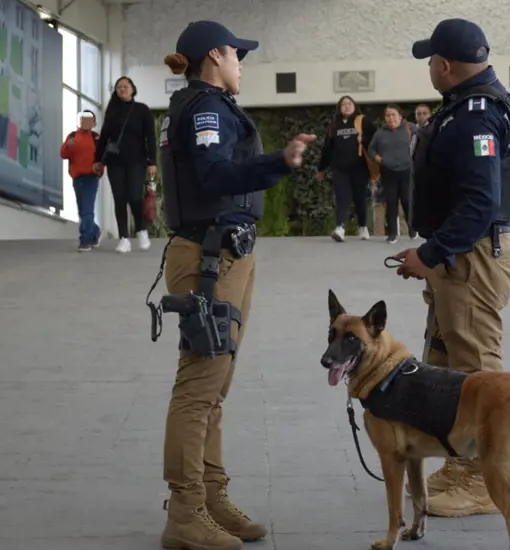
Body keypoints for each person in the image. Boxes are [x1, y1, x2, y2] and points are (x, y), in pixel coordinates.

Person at [156, 20, 315, 550]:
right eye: (236, 54)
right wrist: (278, 163)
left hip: (225, 253)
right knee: (198, 387)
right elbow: (213, 175)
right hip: (209, 257)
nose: (241, 62)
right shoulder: (204, 108)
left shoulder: (210, 105)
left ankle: (211, 495)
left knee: (214, 388)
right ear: (213, 57)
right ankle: (185, 512)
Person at [391, 18, 510, 518]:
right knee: (449, 364)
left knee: (475, 370)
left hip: (469, 256)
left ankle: (480, 479)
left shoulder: (475, 114)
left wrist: (429, 255)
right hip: (466, 254)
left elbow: (479, 203)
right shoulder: (488, 102)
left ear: (444, 65)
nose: (430, 66)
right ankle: (460, 463)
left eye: (431, 60)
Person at [94, 76, 157, 254]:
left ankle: (141, 229)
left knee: (135, 196)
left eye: (125, 86)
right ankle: (123, 238)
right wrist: (97, 160)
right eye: (119, 87)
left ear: (132, 88)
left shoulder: (142, 110)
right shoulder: (112, 111)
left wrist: (152, 161)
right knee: (119, 197)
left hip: (137, 161)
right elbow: (104, 136)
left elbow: (150, 137)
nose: (122, 89)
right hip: (115, 162)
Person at [316, 95, 377, 242]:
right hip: (340, 169)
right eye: (343, 104)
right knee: (342, 197)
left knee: (360, 198)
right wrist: (321, 169)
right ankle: (340, 228)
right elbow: (327, 149)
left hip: (360, 168)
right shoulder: (334, 126)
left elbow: (376, 140)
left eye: (349, 103)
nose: (346, 106)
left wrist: (364, 140)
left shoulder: (363, 121)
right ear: (339, 108)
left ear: (354, 106)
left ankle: (363, 226)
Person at [368, 104, 417, 243]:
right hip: (388, 171)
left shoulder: (410, 128)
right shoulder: (380, 133)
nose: (390, 118)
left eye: (393, 115)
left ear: (400, 116)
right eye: (388, 116)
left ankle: (412, 229)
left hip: (406, 170)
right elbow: (371, 149)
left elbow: (422, 141)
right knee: (391, 201)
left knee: (407, 200)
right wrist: (379, 159)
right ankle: (393, 233)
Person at [60, 110, 102, 251]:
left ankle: (85, 241)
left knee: (87, 209)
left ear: (94, 123)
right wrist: (68, 146)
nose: (86, 123)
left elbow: (104, 156)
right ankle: (94, 232)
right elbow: (63, 154)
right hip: (77, 178)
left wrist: (99, 168)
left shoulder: (96, 138)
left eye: (89, 120)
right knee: (83, 210)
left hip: (91, 177)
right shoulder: (72, 137)